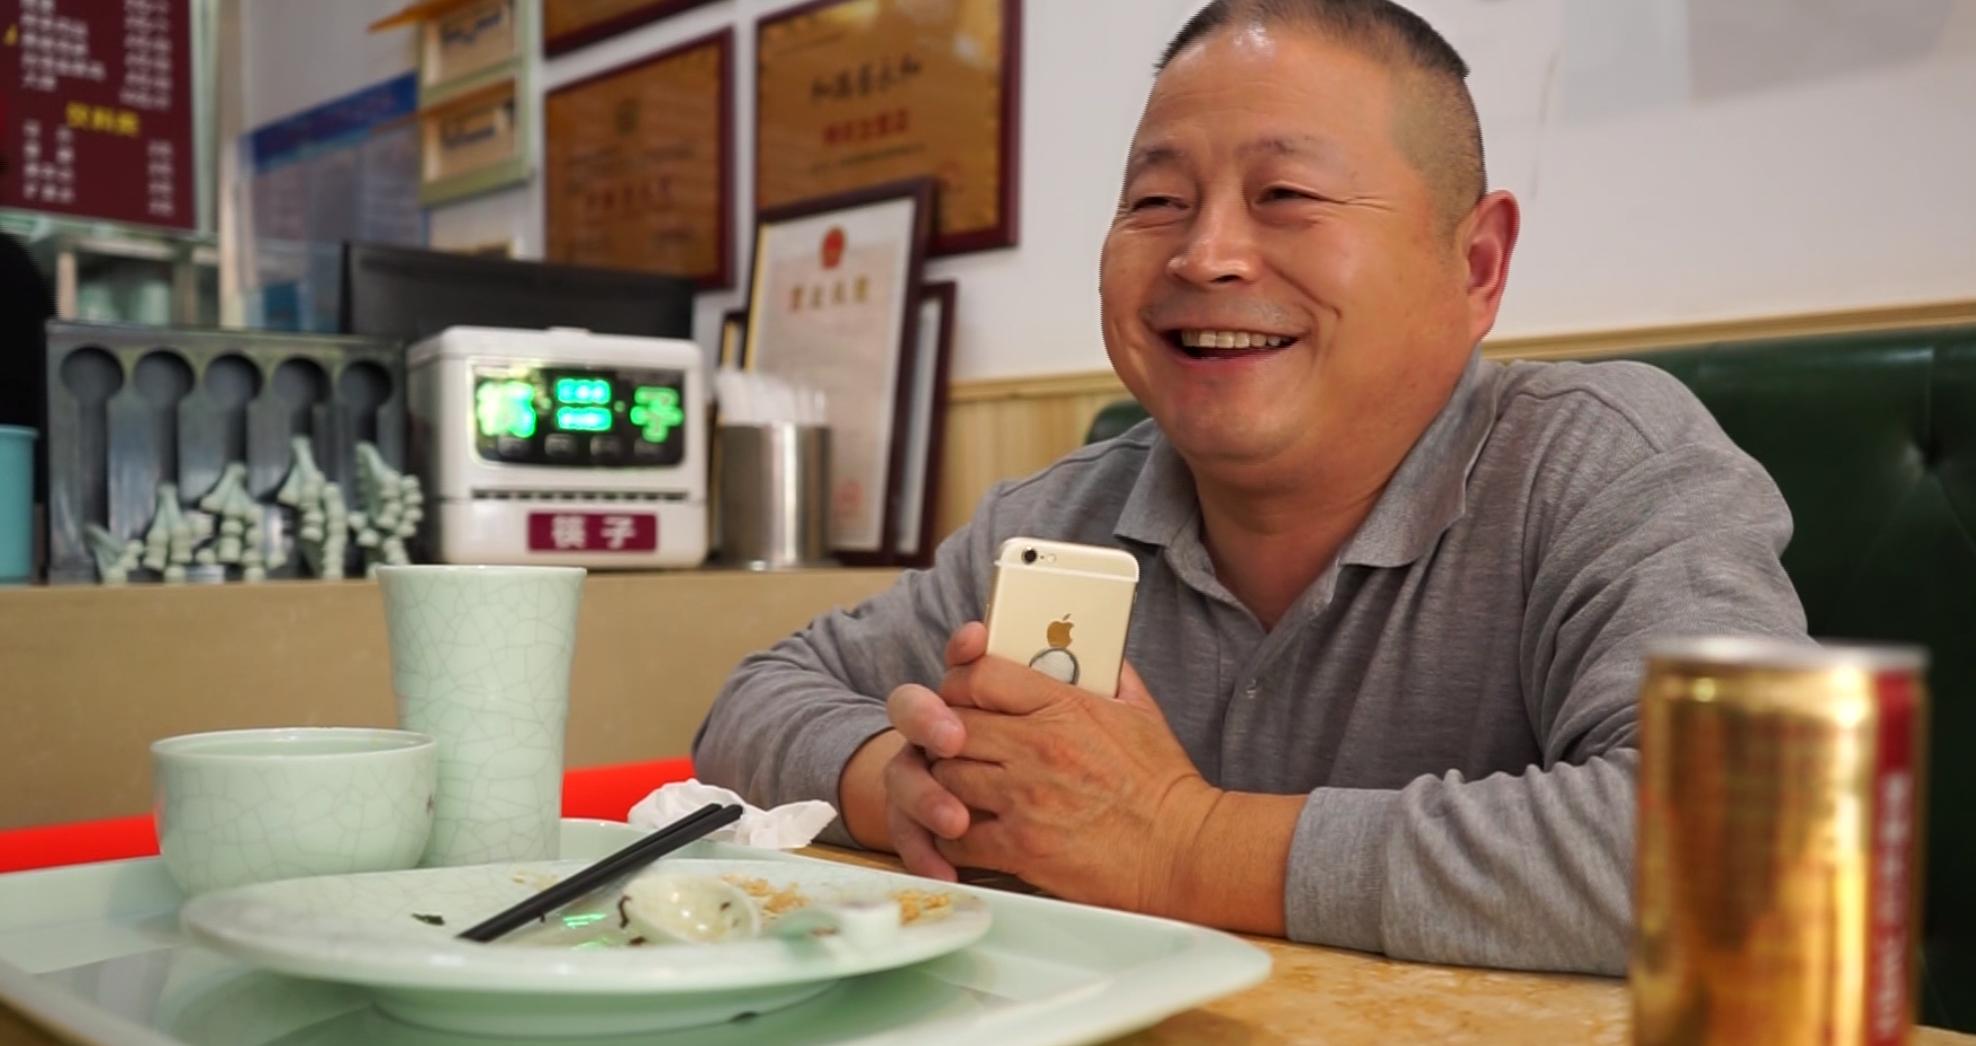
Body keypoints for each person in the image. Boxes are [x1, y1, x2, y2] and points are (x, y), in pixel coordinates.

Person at [694, 0, 1806, 976]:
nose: (1205, 254)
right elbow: (751, 703)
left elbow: (1744, 845)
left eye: (1283, 192)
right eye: (1156, 202)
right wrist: (907, 787)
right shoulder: (1057, 517)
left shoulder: (1606, 463)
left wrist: (1179, 839)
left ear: (1474, 266)